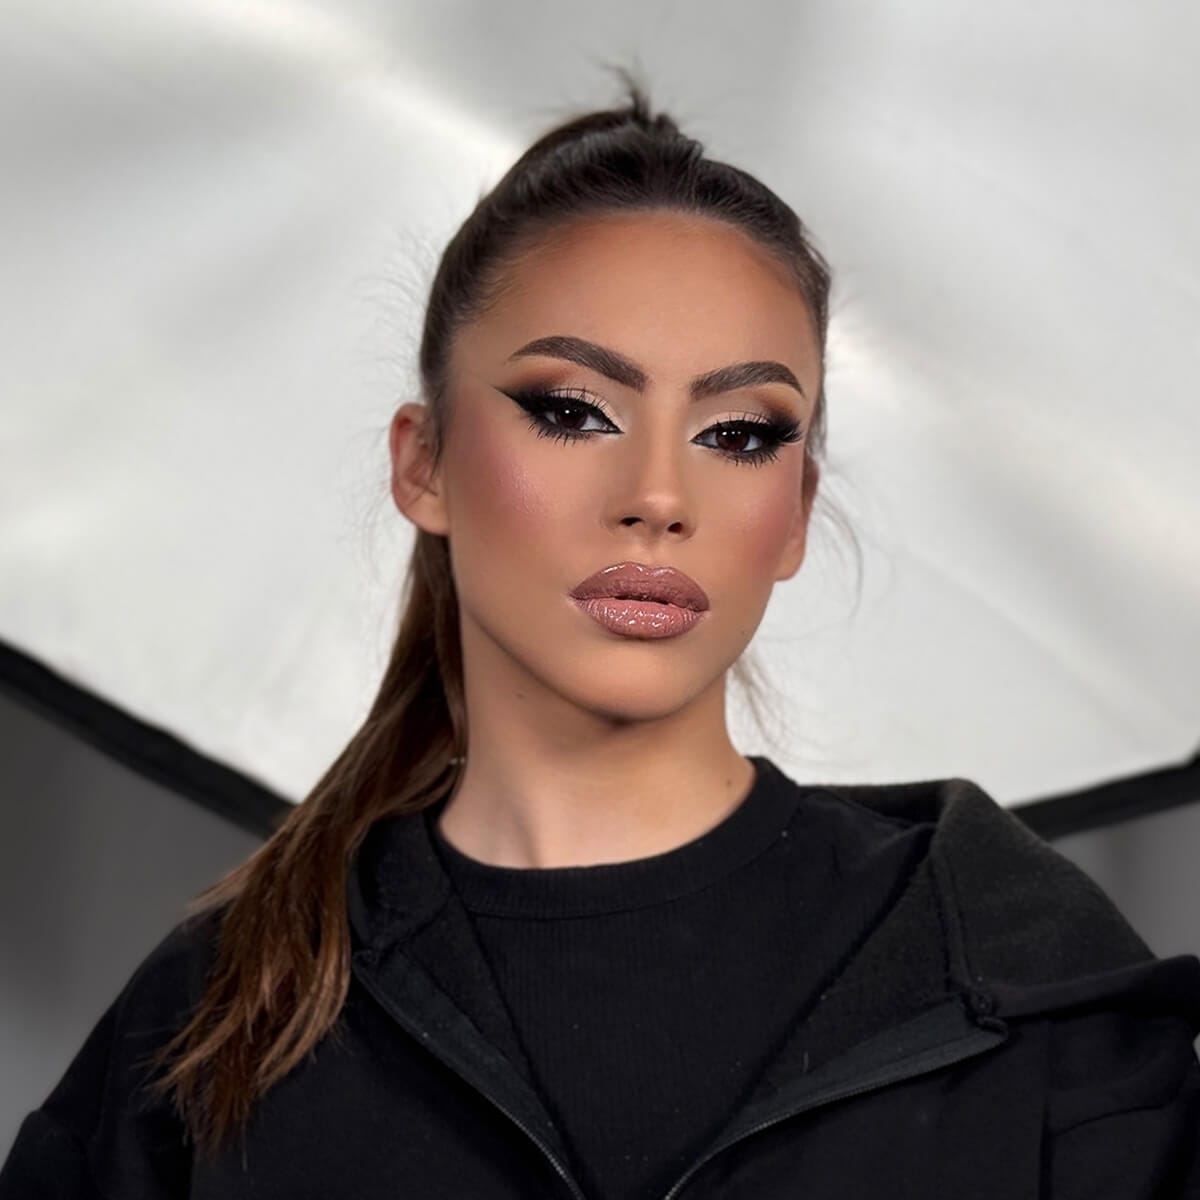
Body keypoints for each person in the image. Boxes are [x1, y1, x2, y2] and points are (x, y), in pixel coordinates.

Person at [2, 75, 1198, 1200]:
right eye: (574, 411)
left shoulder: (1016, 973)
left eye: (740, 433)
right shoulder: (215, 1017)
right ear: (423, 464)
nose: (659, 496)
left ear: (796, 513)